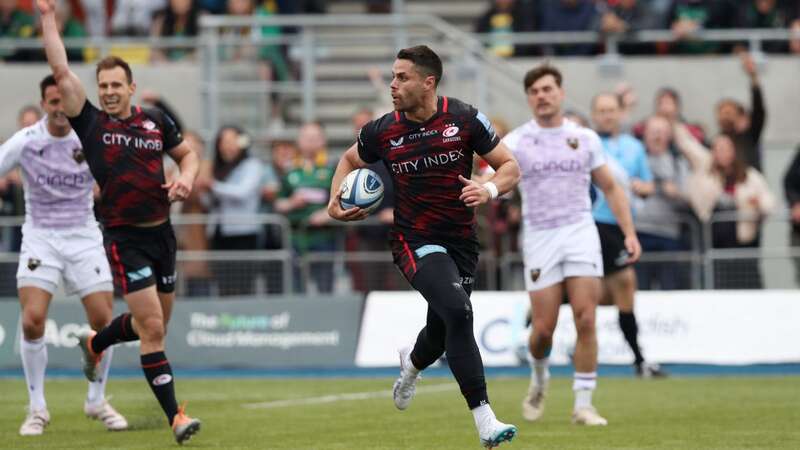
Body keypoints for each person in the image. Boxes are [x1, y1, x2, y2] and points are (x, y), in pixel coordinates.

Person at [327, 45, 520, 448]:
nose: (393, 85)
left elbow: (510, 167)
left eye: (402, 77)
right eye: (393, 76)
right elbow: (348, 161)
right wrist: (334, 202)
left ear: (428, 82)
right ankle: (485, 420)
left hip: (462, 242)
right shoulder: (382, 130)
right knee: (458, 311)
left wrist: (487, 189)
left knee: (442, 326)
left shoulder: (464, 118)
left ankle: (411, 365)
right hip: (414, 239)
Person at [38, 0, 201, 444]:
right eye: (102, 84)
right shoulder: (90, 123)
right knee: (152, 330)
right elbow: (60, 68)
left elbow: (188, 154)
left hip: (162, 236)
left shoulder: (156, 121)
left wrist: (185, 179)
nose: (108, 90)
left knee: (156, 324)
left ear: (132, 87)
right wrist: (48, 17)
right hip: (124, 239)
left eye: (116, 84)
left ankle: (96, 342)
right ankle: (177, 418)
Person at [504, 65, 641, 426]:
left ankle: (583, 404)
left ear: (561, 93)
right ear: (529, 98)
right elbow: (493, 176)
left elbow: (611, 187)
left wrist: (629, 232)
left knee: (586, 317)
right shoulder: (517, 141)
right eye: (534, 91)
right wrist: (479, 185)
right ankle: (539, 377)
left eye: (548, 89)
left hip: (580, 233)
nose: (542, 95)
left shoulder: (585, 138)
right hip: (540, 238)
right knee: (543, 330)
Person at [5, 75, 127, 436]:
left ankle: (96, 399)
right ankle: (37, 408)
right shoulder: (26, 141)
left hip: (84, 236)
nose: (60, 109)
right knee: (32, 321)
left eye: (64, 101)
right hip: (40, 237)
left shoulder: (92, 137)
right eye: (52, 102)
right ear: (44, 104)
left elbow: (122, 174)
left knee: (105, 321)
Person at [590, 92, 665, 377]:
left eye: (611, 110)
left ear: (621, 113)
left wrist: (642, 187)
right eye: (602, 110)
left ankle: (637, 359)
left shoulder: (634, 148)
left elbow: (648, 184)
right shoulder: (586, 143)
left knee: (619, 290)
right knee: (623, 282)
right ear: (595, 114)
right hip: (592, 222)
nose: (607, 115)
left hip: (620, 226)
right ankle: (638, 359)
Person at [673, 123, 775, 289]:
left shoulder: (748, 176)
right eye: (718, 148)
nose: (722, 152)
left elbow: (769, 201)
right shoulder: (705, 172)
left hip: (743, 244)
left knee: (748, 286)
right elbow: (687, 145)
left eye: (726, 148)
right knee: (717, 284)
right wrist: (672, 121)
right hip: (714, 245)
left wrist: (759, 203)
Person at [198, 125, 263, 296]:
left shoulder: (252, 165)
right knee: (222, 282)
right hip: (219, 231)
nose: (228, 146)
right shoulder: (216, 168)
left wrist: (212, 185)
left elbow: (242, 192)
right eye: (223, 141)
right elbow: (209, 202)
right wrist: (204, 189)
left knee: (242, 282)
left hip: (243, 232)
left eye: (232, 140)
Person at [716, 51, 766, 172]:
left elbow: (758, 109)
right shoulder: (717, 141)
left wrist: (753, 76)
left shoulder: (749, 136)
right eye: (722, 113)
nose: (725, 117)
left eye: (729, 113)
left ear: (739, 116)